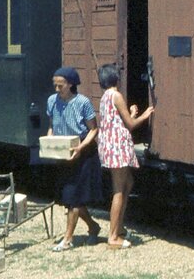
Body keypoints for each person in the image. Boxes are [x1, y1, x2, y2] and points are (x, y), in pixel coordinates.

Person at [96, 63, 154, 249]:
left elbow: (116, 120)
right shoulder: (117, 95)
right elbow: (130, 125)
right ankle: (113, 237)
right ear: (116, 78)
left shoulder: (105, 97)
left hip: (110, 145)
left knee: (128, 184)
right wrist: (144, 115)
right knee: (119, 190)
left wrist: (129, 113)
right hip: (117, 147)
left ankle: (119, 228)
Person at [46, 66, 102, 251]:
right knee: (68, 197)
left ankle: (68, 239)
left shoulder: (82, 102)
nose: (57, 89)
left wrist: (81, 147)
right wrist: (49, 139)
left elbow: (93, 129)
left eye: (60, 85)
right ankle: (93, 227)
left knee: (74, 197)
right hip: (62, 153)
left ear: (70, 85)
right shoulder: (52, 101)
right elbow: (52, 125)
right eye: (55, 85)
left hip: (83, 154)